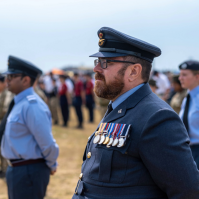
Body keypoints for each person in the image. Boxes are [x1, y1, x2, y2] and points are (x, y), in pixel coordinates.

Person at [72, 27, 199, 199]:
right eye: (97, 62)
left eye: (106, 63)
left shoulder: (156, 117)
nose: (96, 69)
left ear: (133, 71)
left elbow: (187, 191)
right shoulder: (120, 106)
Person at [0, 55, 59, 199]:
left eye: (12, 76)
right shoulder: (19, 102)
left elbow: (47, 143)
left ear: (26, 80)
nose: (7, 80)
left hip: (29, 170)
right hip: (16, 169)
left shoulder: (32, 106)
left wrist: (51, 164)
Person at [179, 60, 199, 169]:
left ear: (197, 77)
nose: (180, 78)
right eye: (180, 74)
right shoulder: (187, 97)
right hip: (188, 150)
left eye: (184, 75)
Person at [0, 75, 14, 178]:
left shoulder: (8, 93)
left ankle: (5, 169)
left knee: (4, 146)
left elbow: (5, 110)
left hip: (4, 123)